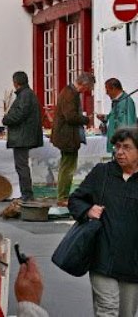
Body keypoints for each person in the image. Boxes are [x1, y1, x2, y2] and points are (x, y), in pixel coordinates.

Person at [69, 127, 138, 317]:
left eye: (127, 147)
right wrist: (88, 210)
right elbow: (75, 200)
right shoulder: (103, 173)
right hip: (102, 257)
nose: (120, 152)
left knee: (127, 313)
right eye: (117, 147)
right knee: (107, 309)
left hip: (132, 263)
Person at [51, 72, 95, 207]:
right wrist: (86, 119)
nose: (86, 91)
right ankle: (62, 197)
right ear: (83, 84)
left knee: (66, 166)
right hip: (67, 136)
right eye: (88, 88)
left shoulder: (69, 92)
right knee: (68, 167)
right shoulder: (70, 94)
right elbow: (70, 117)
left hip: (66, 135)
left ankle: (63, 195)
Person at [1, 71, 43, 202]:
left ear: (16, 83)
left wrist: (6, 119)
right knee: (22, 165)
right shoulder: (27, 94)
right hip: (24, 135)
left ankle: (27, 194)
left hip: (22, 137)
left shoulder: (25, 96)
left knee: (21, 166)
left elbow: (19, 114)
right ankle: (26, 193)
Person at [97, 78, 137, 154]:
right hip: (116, 143)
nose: (106, 93)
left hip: (121, 145)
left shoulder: (127, 102)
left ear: (114, 89)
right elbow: (115, 118)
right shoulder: (117, 101)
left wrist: (125, 144)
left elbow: (129, 124)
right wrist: (105, 118)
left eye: (107, 90)